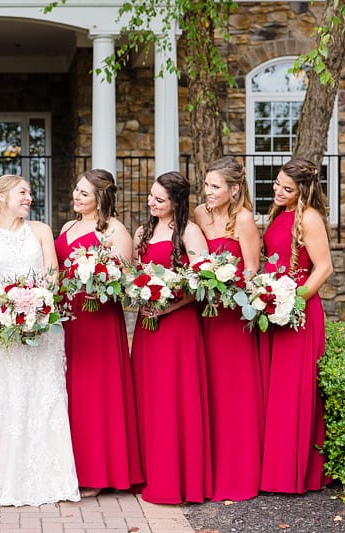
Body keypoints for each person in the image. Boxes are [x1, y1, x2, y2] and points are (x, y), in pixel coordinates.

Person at [0, 174, 80, 506]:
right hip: (5, 329)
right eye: (22, 192)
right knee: (10, 394)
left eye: (30, 192)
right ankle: (8, 476)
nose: (29, 197)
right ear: (3, 196)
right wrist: (10, 308)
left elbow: (52, 274)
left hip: (44, 329)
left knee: (46, 395)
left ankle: (55, 478)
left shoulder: (41, 230)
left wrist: (38, 304)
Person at [54, 169, 143, 496]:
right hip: (68, 315)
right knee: (69, 390)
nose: (76, 196)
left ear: (101, 198)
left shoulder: (116, 230)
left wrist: (98, 283)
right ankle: (70, 467)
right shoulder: (67, 227)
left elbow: (123, 281)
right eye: (76, 190)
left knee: (95, 392)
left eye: (84, 193)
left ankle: (99, 472)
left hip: (98, 317)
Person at [131, 171, 213, 504]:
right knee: (149, 398)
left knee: (174, 399)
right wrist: (141, 294)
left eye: (159, 199)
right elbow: (135, 275)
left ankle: (178, 479)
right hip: (147, 324)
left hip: (177, 325)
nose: (152, 203)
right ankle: (150, 471)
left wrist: (167, 306)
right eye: (150, 197)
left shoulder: (190, 232)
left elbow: (202, 283)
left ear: (176, 202)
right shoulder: (142, 232)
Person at [260, 158, 333, 494]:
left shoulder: (309, 217)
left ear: (303, 190)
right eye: (277, 184)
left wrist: (295, 299)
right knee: (277, 393)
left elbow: (324, 268)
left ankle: (294, 474)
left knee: (293, 393)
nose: (278, 191)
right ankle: (275, 470)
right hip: (277, 310)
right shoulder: (280, 214)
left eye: (286, 189)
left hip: (299, 313)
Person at [193, 156, 263, 501]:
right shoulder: (199, 214)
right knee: (207, 393)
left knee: (233, 395)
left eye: (215, 187)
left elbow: (252, 272)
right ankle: (207, 474)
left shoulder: (245, 221)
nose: (208, 192)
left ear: (234, 190)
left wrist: (228, 288)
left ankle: (237, 475)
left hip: (232, 320)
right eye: (206, 185)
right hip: (203, 318)